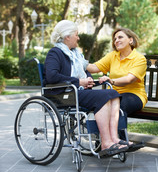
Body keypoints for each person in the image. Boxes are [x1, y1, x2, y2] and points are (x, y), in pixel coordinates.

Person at [43, 20, 129, 157]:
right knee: (104, 96)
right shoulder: (55, 53)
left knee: (113, 93)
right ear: (67, 37)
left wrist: (89, 81)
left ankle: (115, 139)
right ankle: (106, 142)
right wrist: (78, 82)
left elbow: (85, 74)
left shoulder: (76, 55)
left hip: (79, 92)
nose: (78, 38)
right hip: (64, 95)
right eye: (76, 35)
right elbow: (52, 76)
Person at [87, 27, 147, 150]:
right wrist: (75, 59)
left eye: (120, 37)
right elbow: (93, 68)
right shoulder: (113, 56)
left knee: (119, 105)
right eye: (115, 39)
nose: (116, 41)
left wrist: (111, 80)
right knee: (103, 104)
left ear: (131, 40)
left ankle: (120, 142)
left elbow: (129, 79)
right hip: (114, 95)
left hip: (134, 95)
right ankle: (105, 141)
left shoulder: (139, 58)